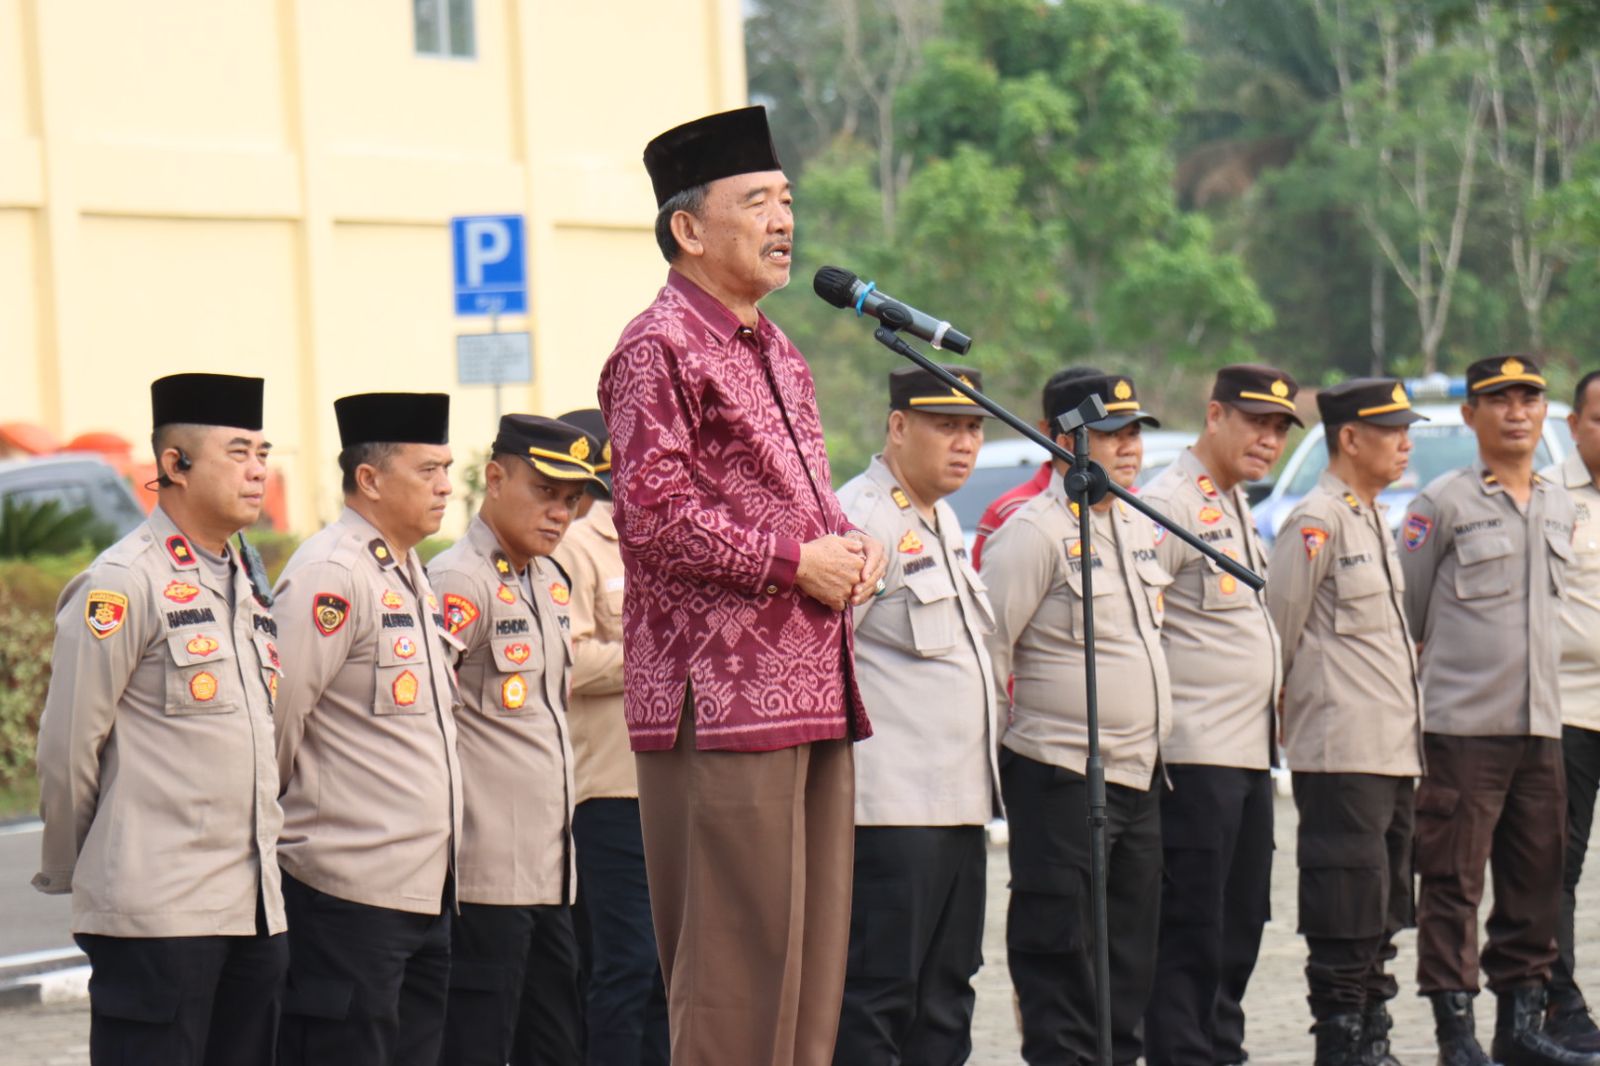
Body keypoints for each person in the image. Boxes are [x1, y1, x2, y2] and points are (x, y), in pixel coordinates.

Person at [597, 104, 886, 1066]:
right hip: (718, 700)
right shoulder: (657, 348)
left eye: (788, 199)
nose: (783, 219)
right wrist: (793, 561)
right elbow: (656, 514)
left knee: (808, 974)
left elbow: (799, 500)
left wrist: (849, 544)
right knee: (734, 978)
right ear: (688, 227)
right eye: (756, 200)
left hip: (809, 684)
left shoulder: (778, 350)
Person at [33, 373, 285, 1066]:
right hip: (157, 917)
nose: (259, 470)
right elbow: (67, 748)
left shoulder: (244, 579)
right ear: (174, 465)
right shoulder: (123, 582)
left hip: (254, 910)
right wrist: (92, 873)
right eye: (238, 452)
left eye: (263, 452)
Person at [1399, 356, 1597, 1066]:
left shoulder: (1556, 503)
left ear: (1545, 413)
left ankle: (1519, 1028)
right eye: (1499, 400)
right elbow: (1412, 609)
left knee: (1536, 881)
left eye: (1529, 399)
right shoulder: (1441, 504)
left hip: (1542, 728)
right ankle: (1457, 1036)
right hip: (1463, 730)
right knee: (1452, 882)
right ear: (1470, 414)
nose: (1516, 412)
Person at [983, 368, 1171, 1066]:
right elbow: (990, 649)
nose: (1127, 448)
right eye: (1110, 433)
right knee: (1060, 955)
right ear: (1065, 439)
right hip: (1058, 774)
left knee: (1128, 962)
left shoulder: (1138, 522)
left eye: (1134, 433)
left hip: (1139, 777)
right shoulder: (1032, 532)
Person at [272, 392, 464, 1066]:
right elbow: (279, 718)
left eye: (447, 468)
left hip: (420, 885)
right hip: (346, 888)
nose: (445, 486)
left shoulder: (406, 567)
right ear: (370, 479)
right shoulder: (333, 572)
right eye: (427, 471)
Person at [831, 365, 1001, 1065]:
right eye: (946, 425)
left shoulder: (942, 518)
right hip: (890, 812)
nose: (964, 444)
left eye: (973, 428)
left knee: (947, 998)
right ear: (898, 427)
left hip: (956, 807)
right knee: (877, 999)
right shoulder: (862, 517)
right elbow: (825, 663)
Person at [1264, 378, 1427, 1065]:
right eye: (1391, 430)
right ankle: (1340, 1039)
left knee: (1383, 905)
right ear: (1350, 438)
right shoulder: (1317, 520)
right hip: (1341, 750)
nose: (1405, 442)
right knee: (1344, 903)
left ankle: (1373, 1034)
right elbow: (1280, 631)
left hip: (1391, 749)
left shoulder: (1370, 517)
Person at [428, 414, 600, 1066]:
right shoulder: (458, 582)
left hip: (551, 875)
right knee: (477, 1045)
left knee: (555, 1047)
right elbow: (428, 727)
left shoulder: (547, 580)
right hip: (484, 877)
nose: (560, 513)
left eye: (571, 499)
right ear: (494, 478)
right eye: (544, 492)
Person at [1140, 364, 1295, 1066]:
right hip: (1195, 758)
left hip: (1245, 756)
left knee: (1238, 931)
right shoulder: (1171, 500)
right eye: (1256, 422)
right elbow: (1136, 618)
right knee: (1191, 934)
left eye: (1280, 428)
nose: (1269, 439)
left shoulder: (1233, 503)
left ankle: (1220, 1052)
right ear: (1214, 416)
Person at [550, 408, 670, 1066]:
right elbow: (564, 660)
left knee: (670, 972)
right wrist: (659, 654)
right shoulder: (577, 545)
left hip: (675, 785)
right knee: (625, 967)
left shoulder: (666, 540)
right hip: (610, 791)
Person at [1546, 370, 1600, 1048]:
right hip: (1570, 710)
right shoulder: (1549, 499)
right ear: (1574, 425)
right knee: (1553, 865)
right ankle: (1558, 1004)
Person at [970, 368, 1086, 570]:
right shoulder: (1010, 512)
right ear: (1048, 431)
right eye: (1107, 434)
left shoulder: (1133, 506)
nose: (1125, 447)